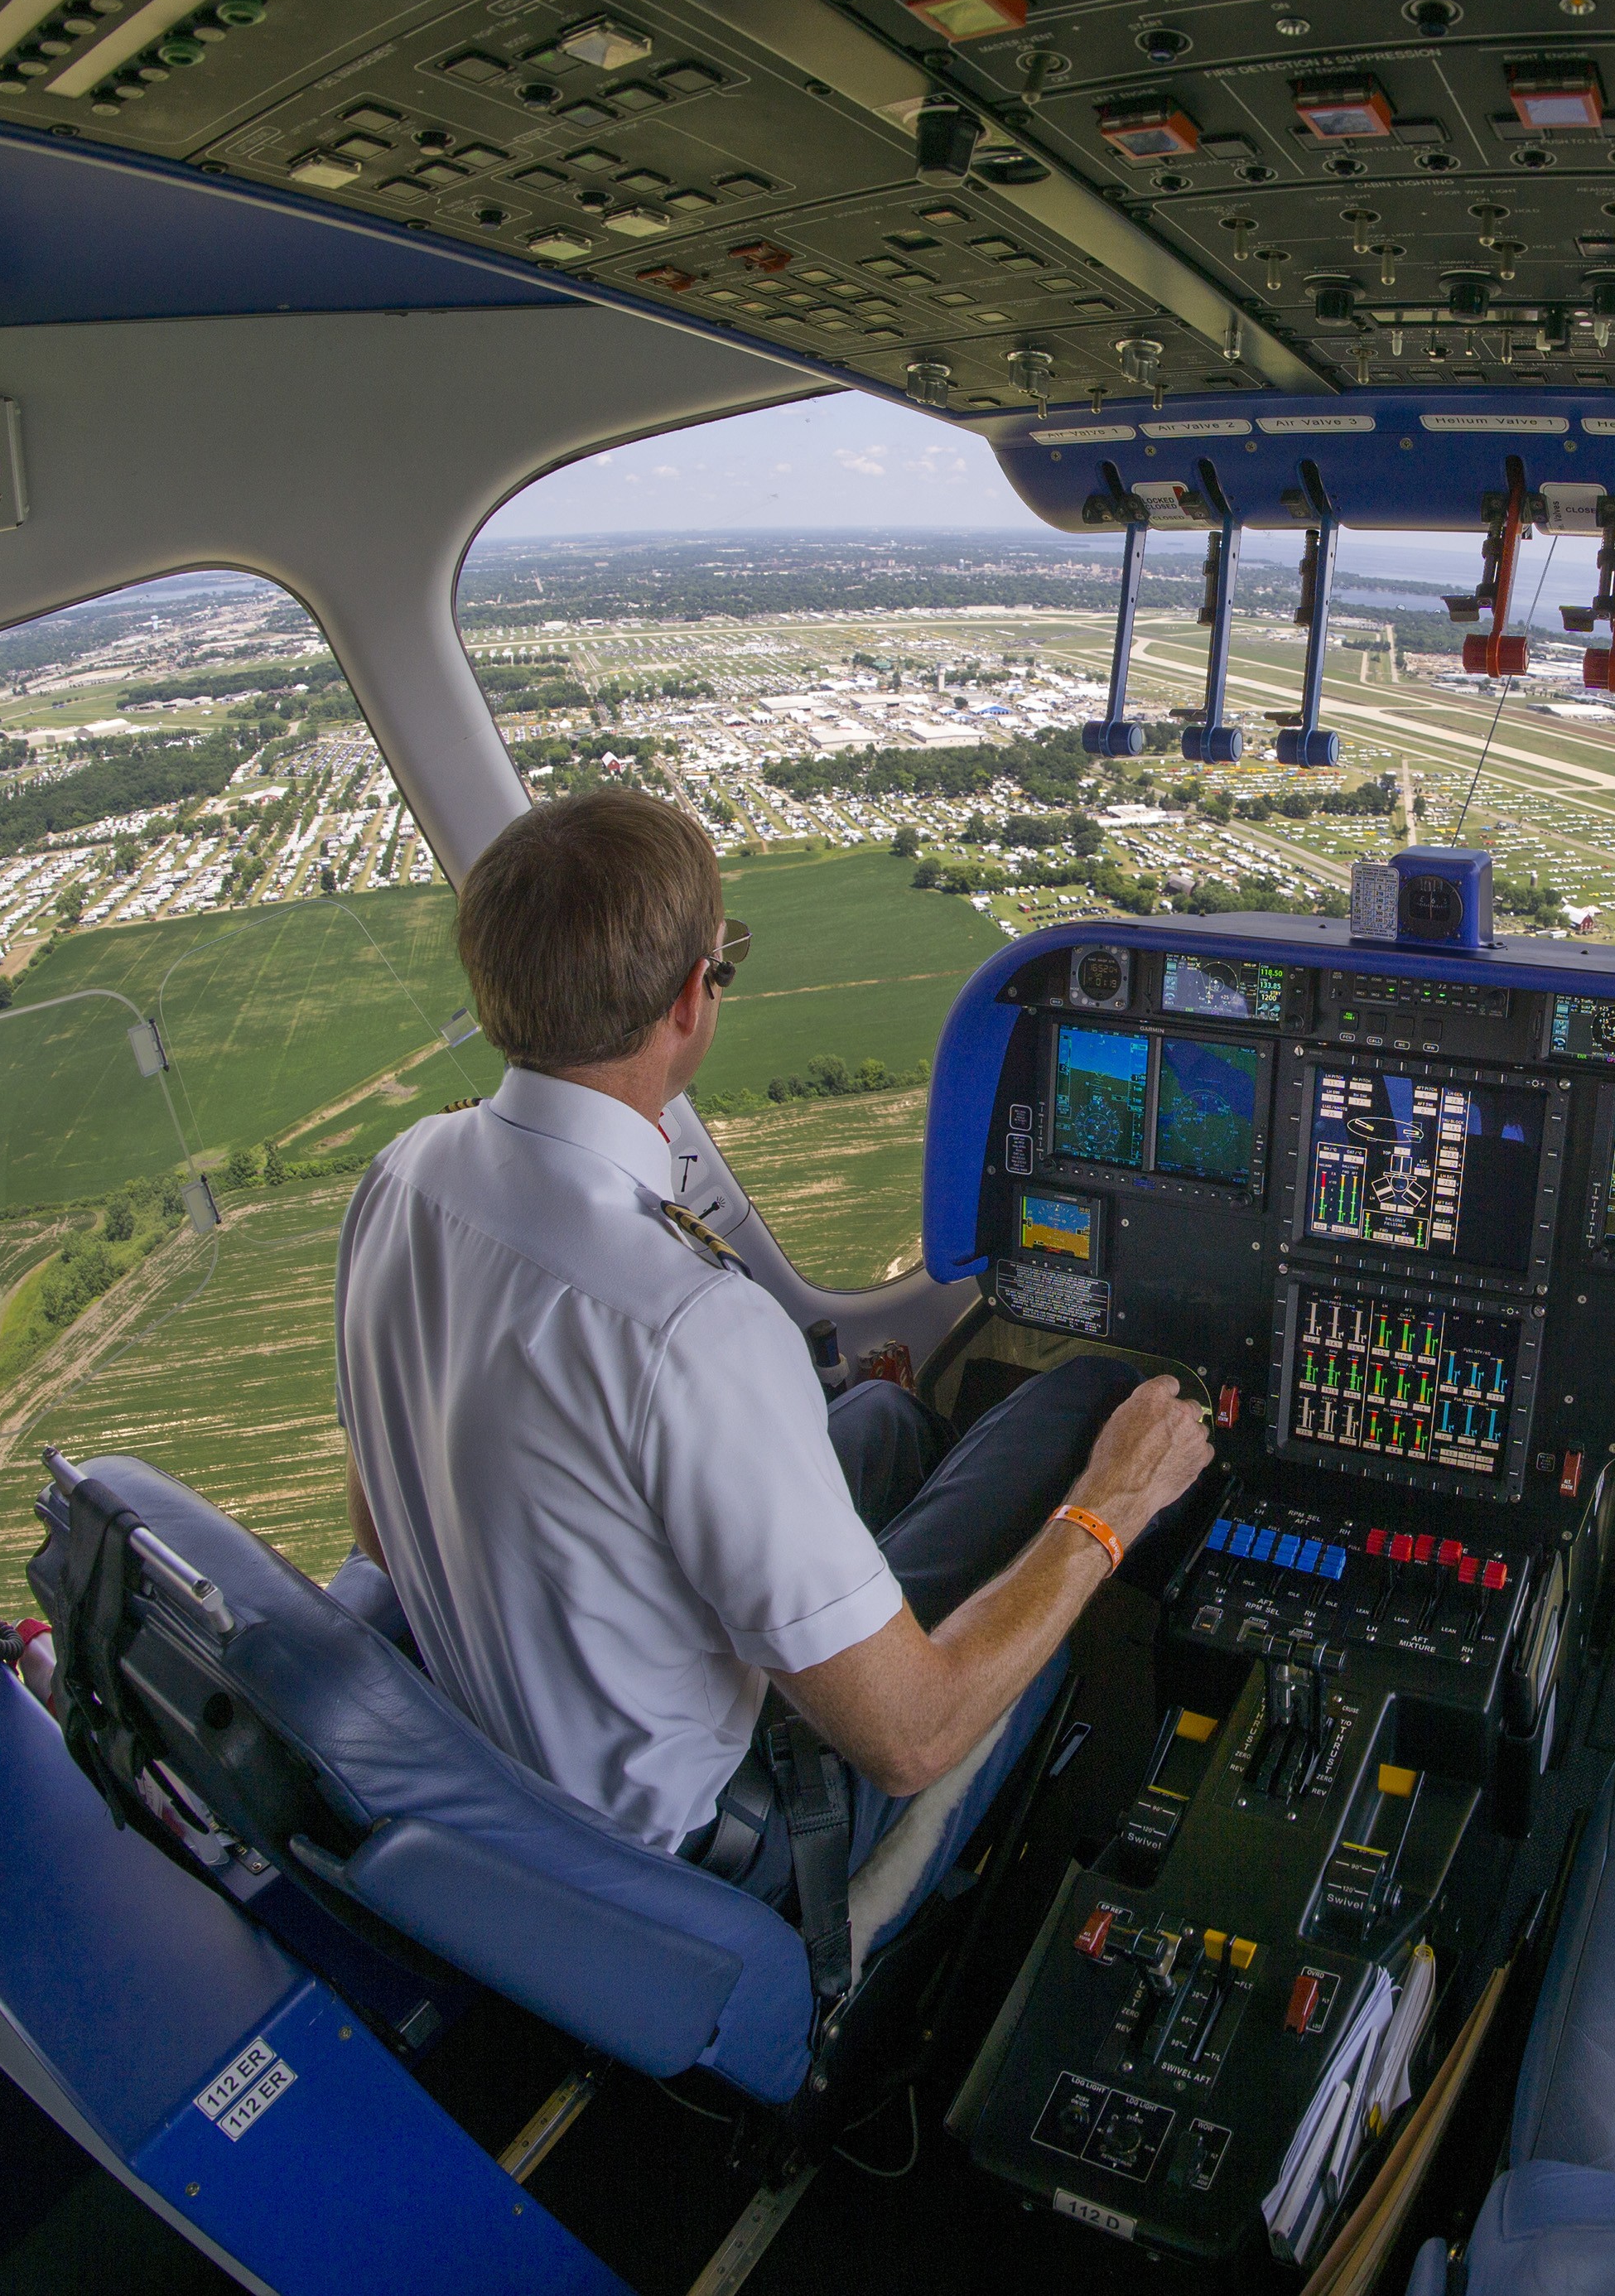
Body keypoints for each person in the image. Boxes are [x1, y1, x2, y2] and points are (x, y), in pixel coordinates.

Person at [335, 788, 1211, 1916]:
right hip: (723, 1847)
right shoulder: (689, 1320)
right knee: (1097, 1402)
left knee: (888, 1424)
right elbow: (910, 1737)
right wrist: (1115, 1507)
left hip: (524, 1779)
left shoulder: (404, 1174)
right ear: (697, 999)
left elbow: (381, 1522)